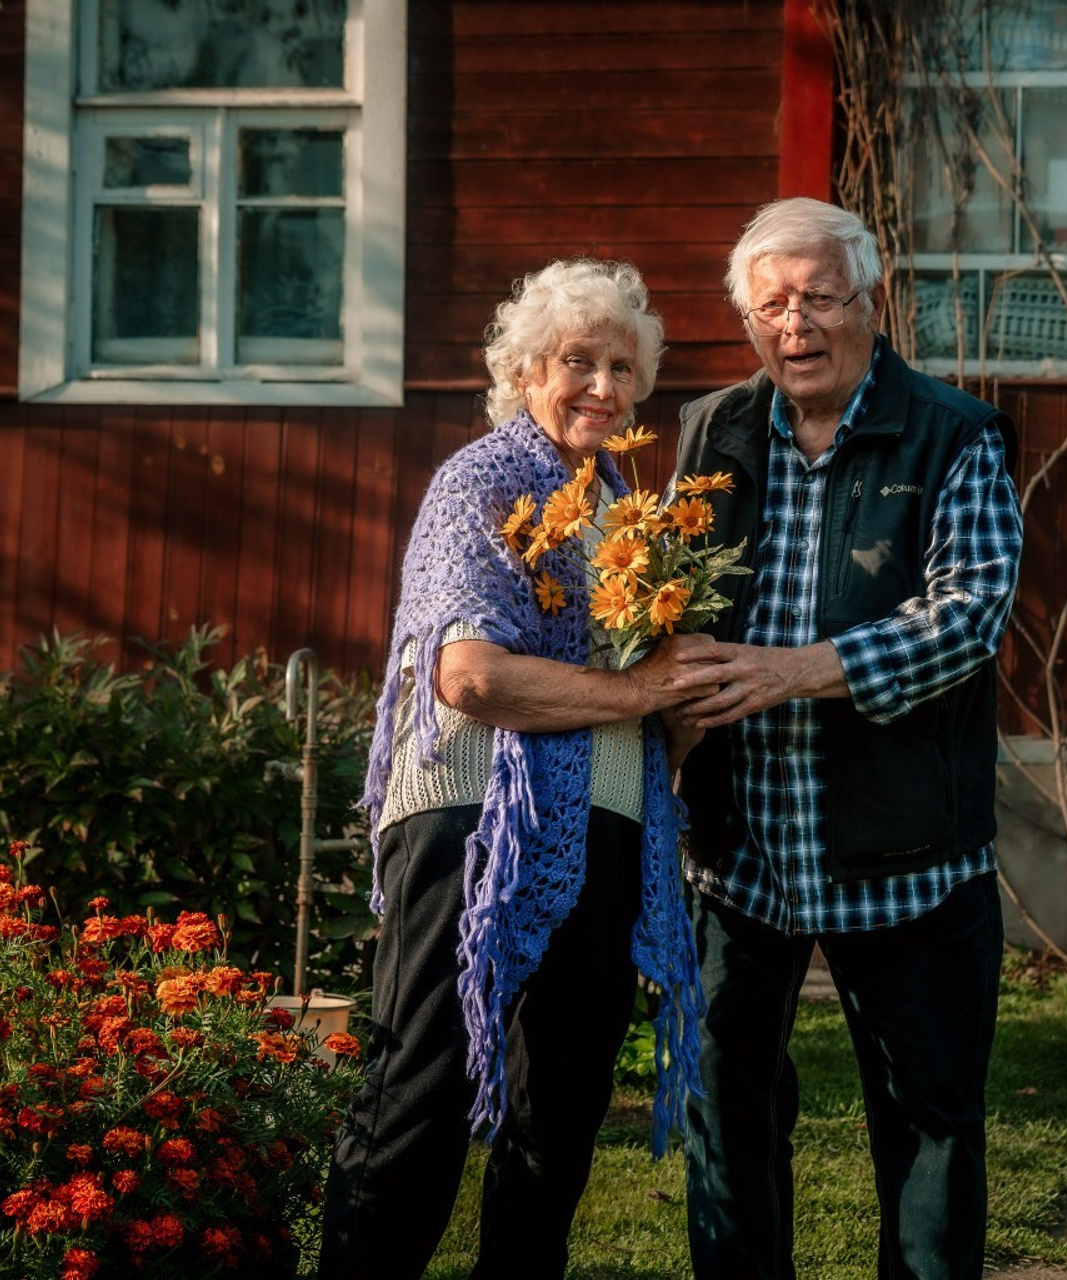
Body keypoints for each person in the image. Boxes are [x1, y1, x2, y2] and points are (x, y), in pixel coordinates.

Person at [318, 259, 717, 1280]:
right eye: (575, 360)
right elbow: (469, 675)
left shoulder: (632, 512)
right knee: (426, 1082)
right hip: (470, 817)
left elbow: (658, 682)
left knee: (564, 1104)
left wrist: (687, 696)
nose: (600, 385)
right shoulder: (482, 482)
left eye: (620, 366)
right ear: (525, 370)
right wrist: (641, 694)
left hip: (608, 814)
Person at [666, 197, 1023, 1280]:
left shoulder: (951, 432)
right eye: (769, 304)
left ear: (868, 301)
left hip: (906, 859)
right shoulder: (711, 429)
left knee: (925, 1126)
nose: (795, 324)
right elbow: (670, 597)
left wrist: (796, 671)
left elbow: (966, 614)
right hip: (739, 856)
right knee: (723, 1112)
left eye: (818, 297)